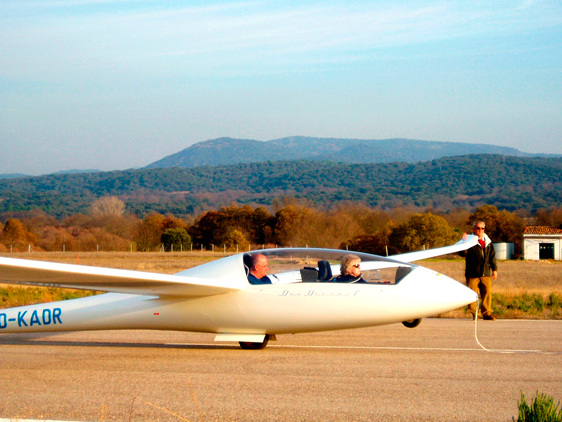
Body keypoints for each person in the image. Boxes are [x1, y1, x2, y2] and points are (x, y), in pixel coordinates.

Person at [460, 221, 498, 320]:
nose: (480, 230)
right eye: (478, 228)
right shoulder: (469, 240)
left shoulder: (488, 242)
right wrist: (464, 241)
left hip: (485, 272)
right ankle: (474, 314)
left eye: (482, 228)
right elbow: (462, 253)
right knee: (472, 294)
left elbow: (492, 257)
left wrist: (494, 269)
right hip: (472, 273)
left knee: (487, 293)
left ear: (484, 230)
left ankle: (486, 313)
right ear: (474, 229)